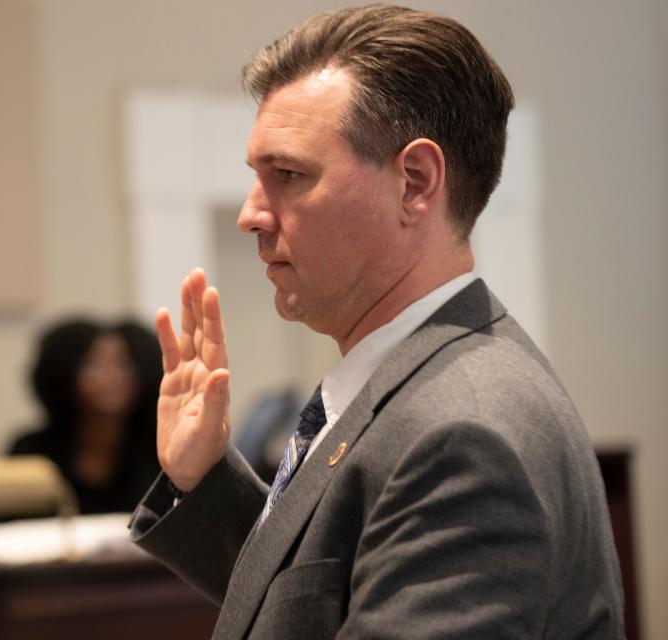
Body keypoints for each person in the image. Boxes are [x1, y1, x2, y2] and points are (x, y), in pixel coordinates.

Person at [128, 5, 624, 638]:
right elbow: (317, 606)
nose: (250, 214)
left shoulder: (463, 433)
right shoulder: (416, 383)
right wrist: (203, 480)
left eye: (287, 174)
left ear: (415, 183)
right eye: (256, 177)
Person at [8, 318, 162, 515]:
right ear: (65, 373)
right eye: (93, 365)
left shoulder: (158, 452)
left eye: (124, 365)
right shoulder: (32, 451)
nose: (111, 378)